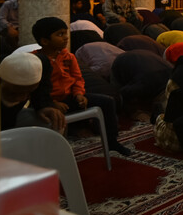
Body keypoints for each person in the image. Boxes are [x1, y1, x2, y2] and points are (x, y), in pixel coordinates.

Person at [31, 16, 130, 156]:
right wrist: (51, 103)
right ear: (44, 41)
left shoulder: (68, 57)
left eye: (65, 33)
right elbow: (36, 89)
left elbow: (78, 78)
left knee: (107, 101)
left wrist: (79, 94)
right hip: (48, 103)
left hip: (70, 98)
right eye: (60, 34)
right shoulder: (35, 60)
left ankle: (112, 142)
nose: (66, 37)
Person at [0, 51, 65, 132]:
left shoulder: (40, 64)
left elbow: (43, 85)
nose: (22, 98)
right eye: (13, 93)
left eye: (28, 92)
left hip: (14, 116)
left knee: (54, 123)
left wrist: (44, 105)